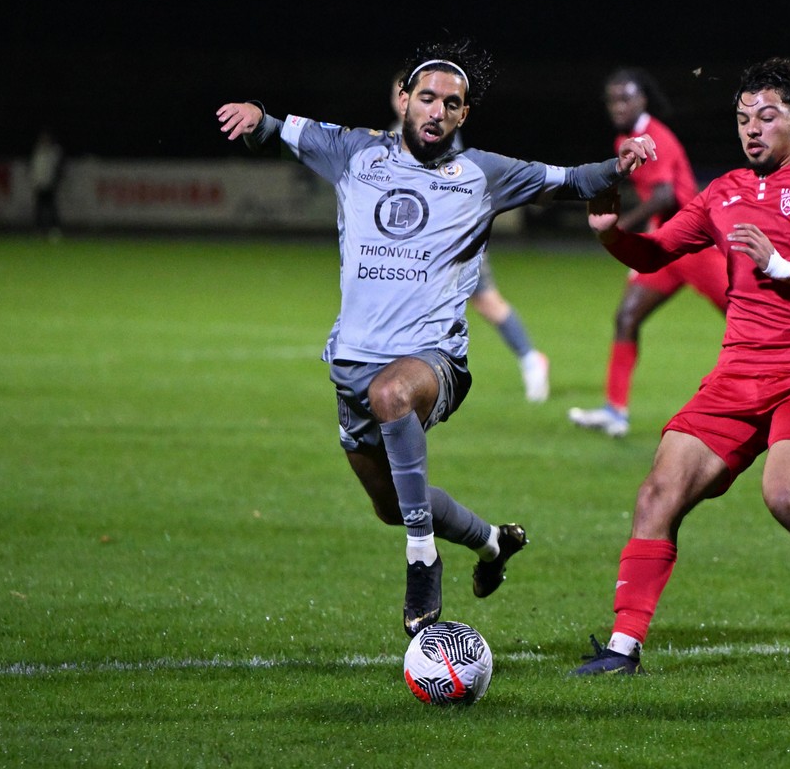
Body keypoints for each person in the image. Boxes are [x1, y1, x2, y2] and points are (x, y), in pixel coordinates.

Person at [217, 39, 653, 638]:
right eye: (427, 98)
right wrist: (254, 117)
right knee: (392, 505)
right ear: (404, 100)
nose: (437, 111)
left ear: (463, 114)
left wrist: (620, 165)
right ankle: (492, 542)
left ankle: (423, 562)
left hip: (433, 360)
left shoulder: (484, 173)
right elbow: (276, 131)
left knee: (393, 396)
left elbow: (574, 179)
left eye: (451, 104)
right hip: (352, 363)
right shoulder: (355, 151)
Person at [573, 57, 790, 676]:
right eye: (744, 117)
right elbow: (658, 252)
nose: (752, 128)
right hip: (737, 370)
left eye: (767, 116)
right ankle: (622, 649)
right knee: (658, 493)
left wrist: (781, 268)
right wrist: (612, 235)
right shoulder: (723, 192)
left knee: (786, 496)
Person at [568, 68, 728, 438]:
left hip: (695, 245)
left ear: (642, 99)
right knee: (627, 316)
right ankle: (615, 412)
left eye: (625, 98)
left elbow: (665, 195)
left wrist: (620, 228)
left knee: (748, 318)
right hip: (668, 245)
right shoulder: (626, 139)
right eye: (612, 100)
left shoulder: (657, 138)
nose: (617, 106)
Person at [387, 74, 551, 404]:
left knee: (485, 301)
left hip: (456, 238)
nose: (400, 99)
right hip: (425, 243)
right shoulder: (398, 133)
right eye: (398, 93)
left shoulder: (436, 132)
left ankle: (530, 359)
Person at [30, 128, 64, 236]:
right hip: (39, 184)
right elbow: (35, 168)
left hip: (49, 184)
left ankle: (54, 229)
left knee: (51, 208)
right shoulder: (38, 151)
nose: (44, 140)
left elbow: (57, 167)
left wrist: (54, 181)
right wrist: (35, 181)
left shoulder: (54, 151)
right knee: (39, 208)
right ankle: (39, 229)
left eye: (46, 138)